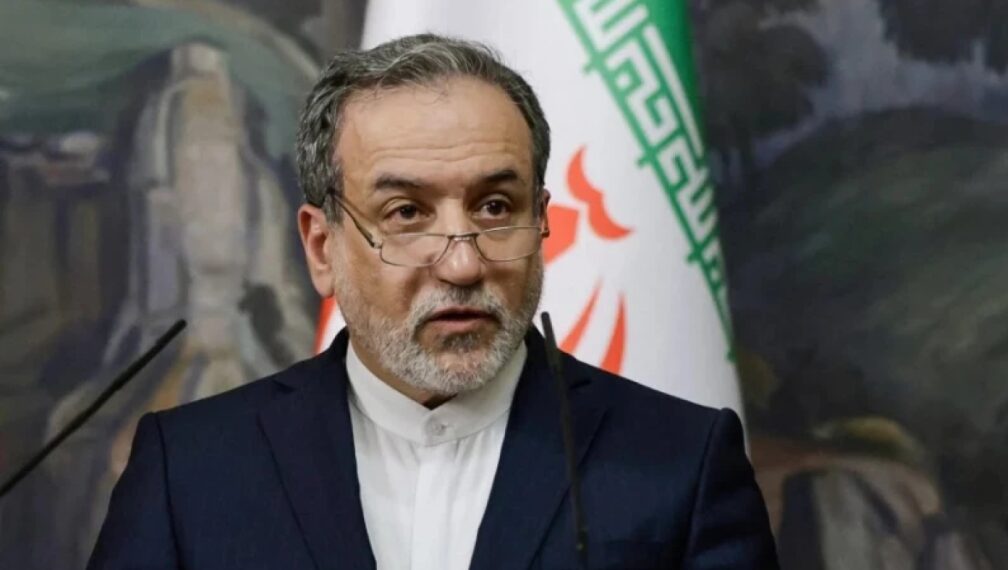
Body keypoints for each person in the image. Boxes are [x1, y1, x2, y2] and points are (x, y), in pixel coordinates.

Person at [88, 34, 778, 569]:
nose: (462, 262)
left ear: (542, 222)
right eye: (407, 213)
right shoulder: (190, 468)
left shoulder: (680, 461)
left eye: (495, 206)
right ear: (322, 247)